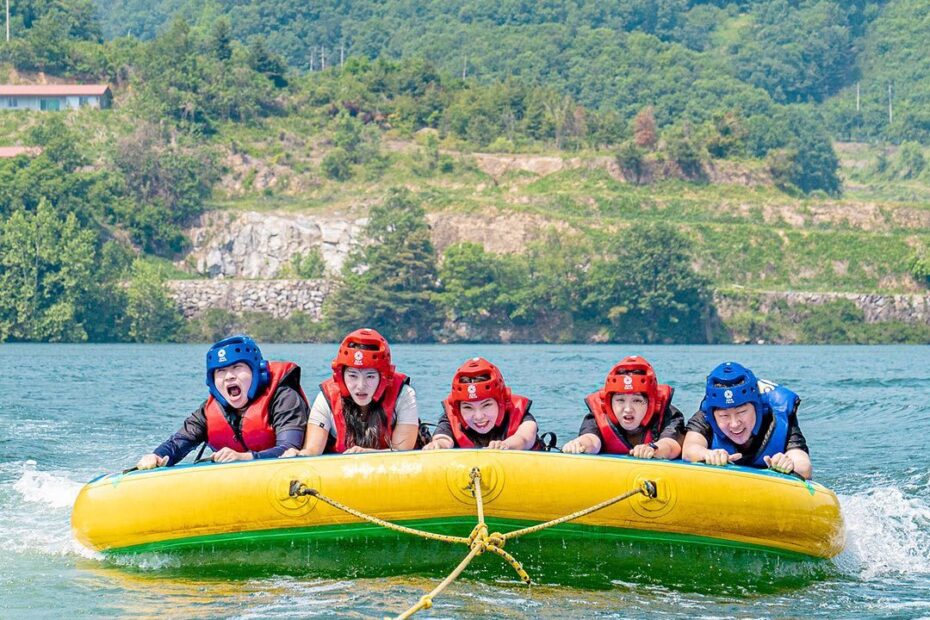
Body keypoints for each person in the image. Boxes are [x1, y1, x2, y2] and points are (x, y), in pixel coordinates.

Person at [135, 335, 309, 469]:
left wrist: (244, 458)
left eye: (237, 368)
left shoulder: (284, 397)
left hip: (286, 475)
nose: (229, 376)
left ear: (257, 373)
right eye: (221, 371)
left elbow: (289, 449)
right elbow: (178, 443)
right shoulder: (209, 411)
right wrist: (157, 456)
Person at [284, 328, 420, 455]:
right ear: (341, 375)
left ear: (384, 377)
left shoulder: (404, 394)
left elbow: (403, 452)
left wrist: (368, 454)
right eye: (353, 376)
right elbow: (312, 450)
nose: (360, 386)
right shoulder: (326, 398)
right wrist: (298, 455)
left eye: (370, 376)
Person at [682, 361, 812, 479]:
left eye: (742, 412)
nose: (734, 424)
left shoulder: (778, 416)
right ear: (713, 414)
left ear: (757, 408)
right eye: (724, 416)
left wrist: (788, 463)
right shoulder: (705, 416)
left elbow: (804, 467)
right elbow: (689, 450)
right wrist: (706, 454)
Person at [562, 356, 684, 458]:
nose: (628, 409)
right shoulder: (597, 416)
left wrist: (653, 449)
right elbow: (591, 439)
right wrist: (579, 444)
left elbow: (671, 445)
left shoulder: (669, 414)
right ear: (609, 402)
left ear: (651, 403)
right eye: (620, 400)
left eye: (637, 400)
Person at [422, 357, 541, 450]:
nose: (478, 416)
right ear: (457, 408)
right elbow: (443, 438)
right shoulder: (451, 417)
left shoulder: (521, 414)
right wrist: (438, 445)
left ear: (501, 402)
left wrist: (506, 445)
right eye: (468, 407)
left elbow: (525, 438)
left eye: (486, 405)